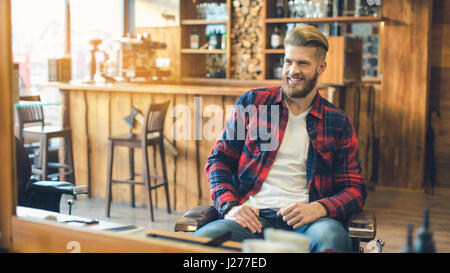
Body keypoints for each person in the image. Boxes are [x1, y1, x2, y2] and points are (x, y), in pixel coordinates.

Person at [193, 25, 367, 253]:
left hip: (310, 222)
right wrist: (228, 206)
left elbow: (354, 189)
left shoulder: (337, 121)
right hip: (251, 217)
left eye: (303, 63)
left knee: (331, 239)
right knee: (196, 245)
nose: (292, 70)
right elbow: (219, 160)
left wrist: (320, 208)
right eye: (288, 61)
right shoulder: (253, 102)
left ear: (320, 67)